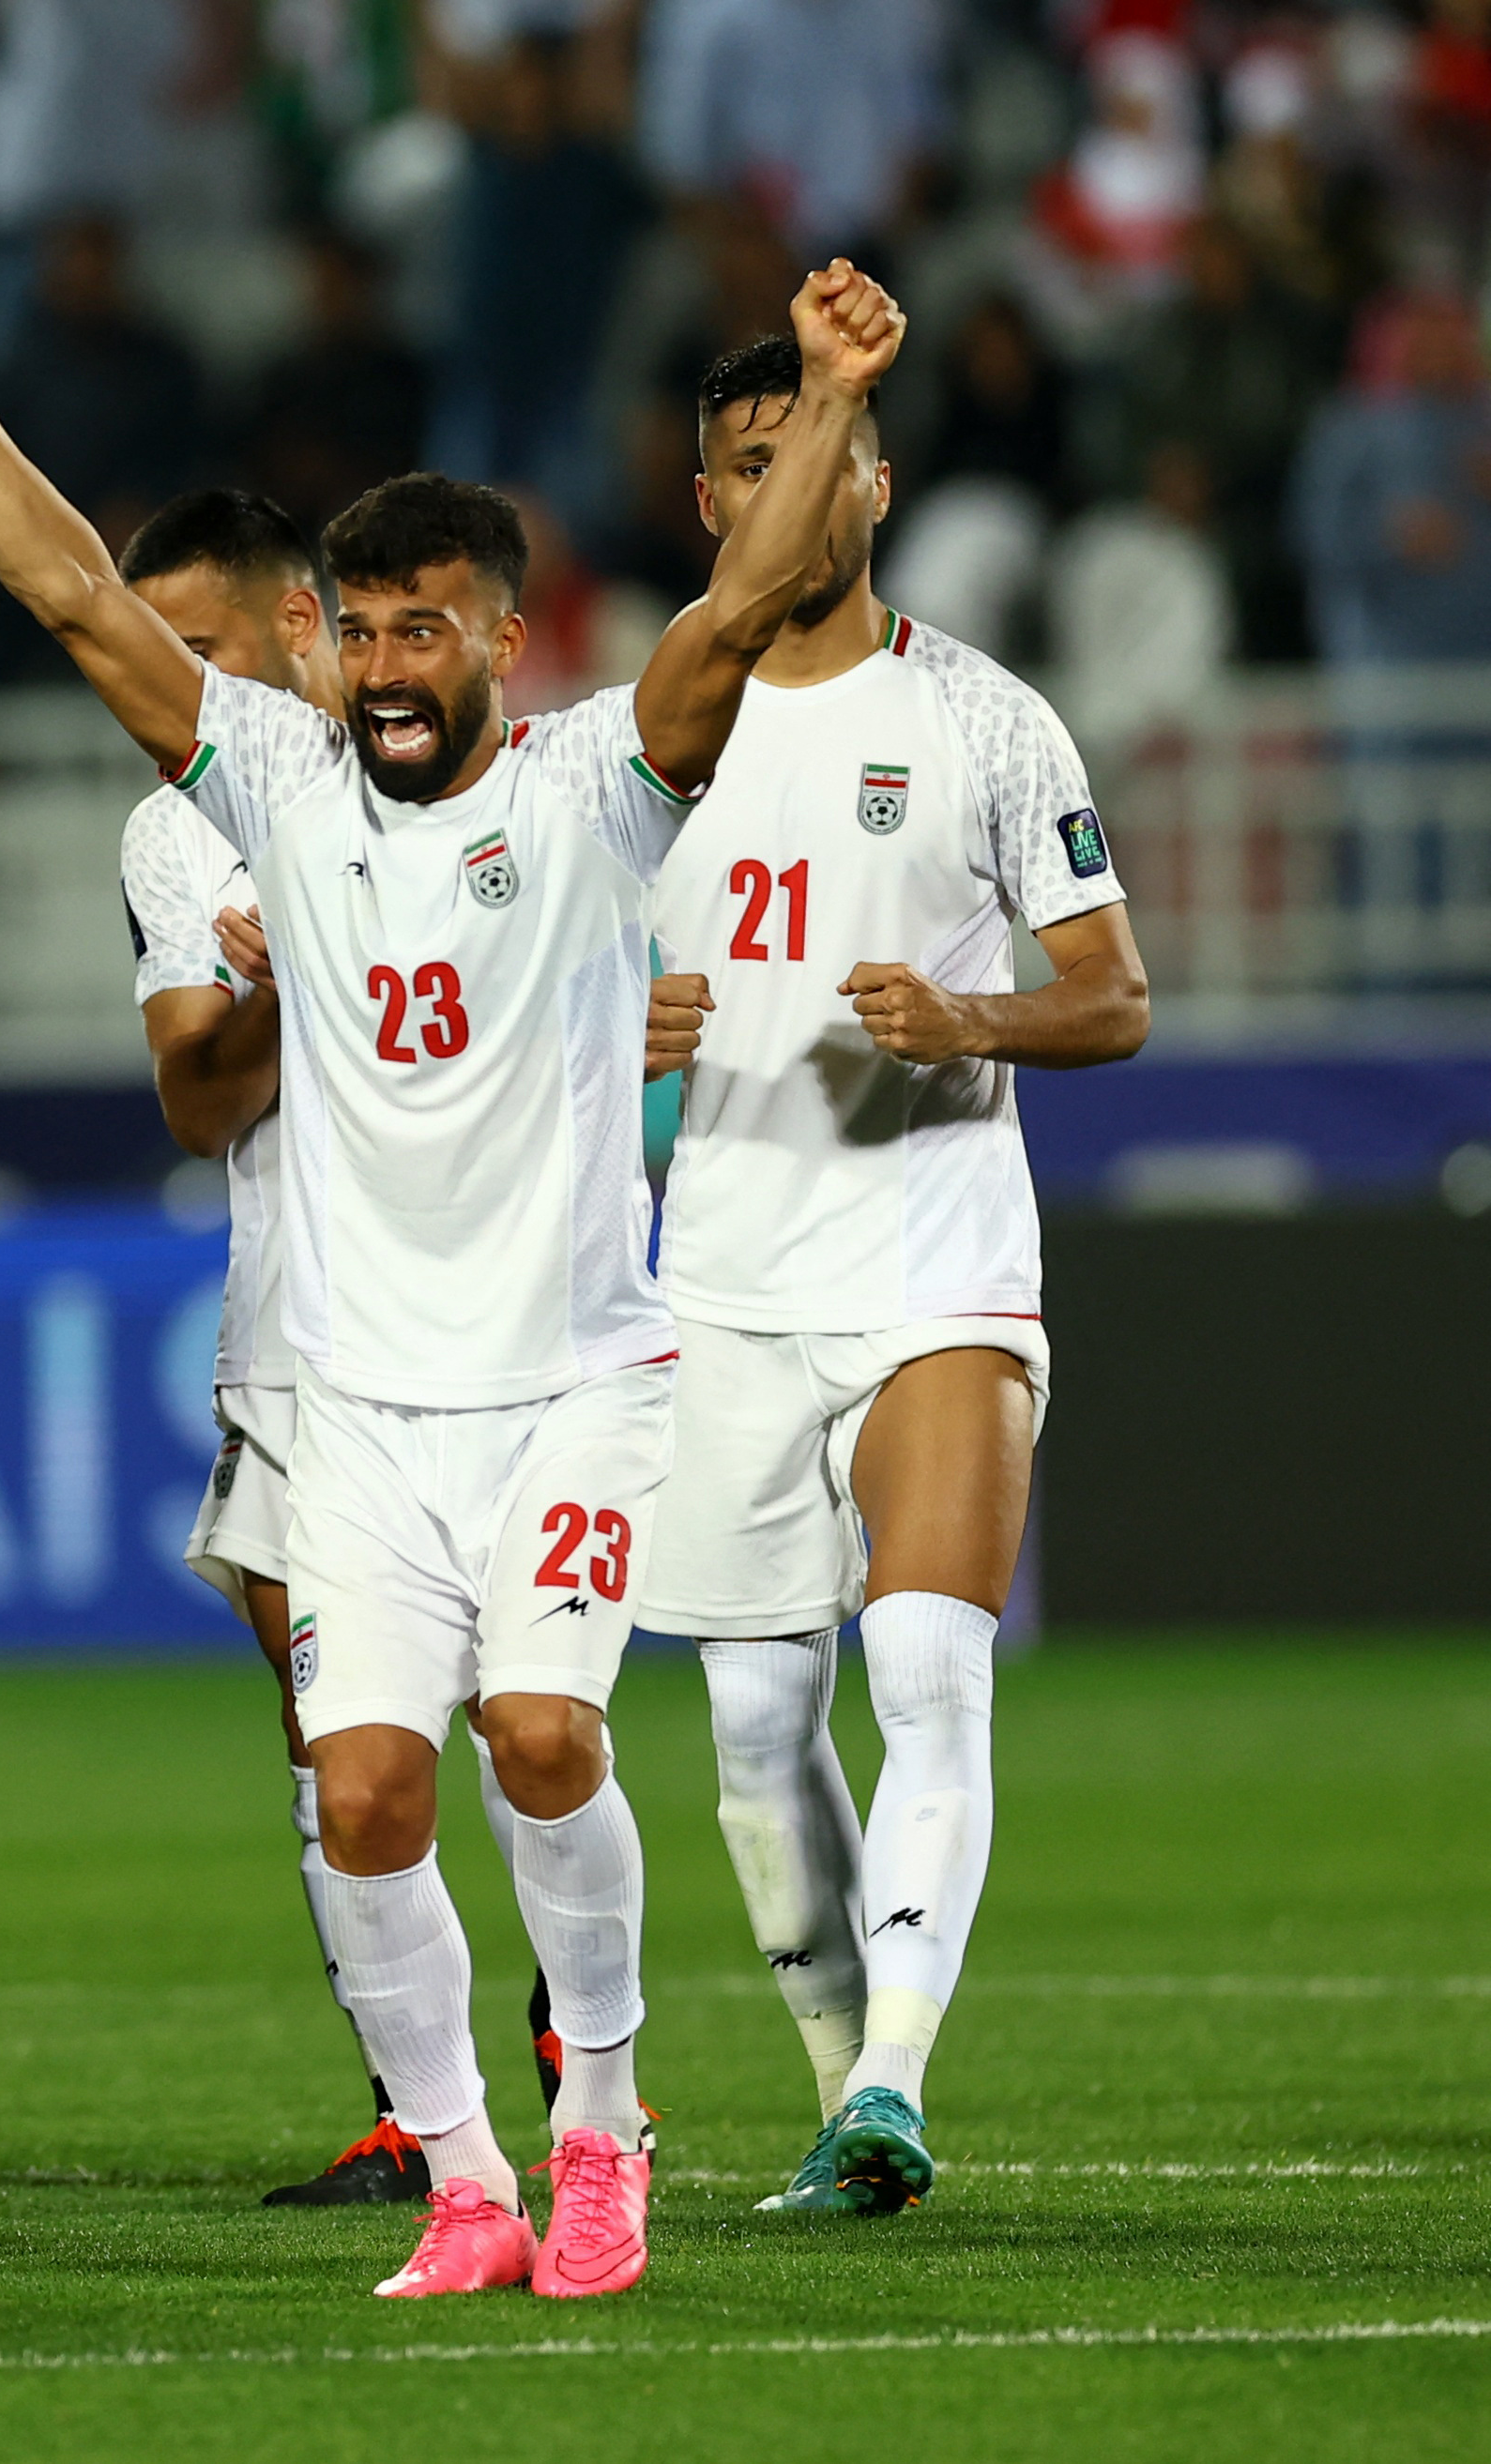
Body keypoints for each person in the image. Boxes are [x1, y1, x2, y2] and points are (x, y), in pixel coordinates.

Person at [0, 236, 902, 2299]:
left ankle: (596, 2128)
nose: (390, 660)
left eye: (429, 625)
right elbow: (67, 588)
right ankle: (461, 2176)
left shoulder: (599, 790)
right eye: (359, 629)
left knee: (535, 1737)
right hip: (351, 1403)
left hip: (572, 1383)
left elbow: (747, 599)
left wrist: (834, 402)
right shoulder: (260, 779)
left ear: (504, 641)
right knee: (357, 1785)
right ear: (318, 650)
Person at [635, 333, 1149, 2214]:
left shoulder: (988, 721)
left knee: (927, 1665)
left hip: (933, 1254)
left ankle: (895, 2083)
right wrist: (613, 1025)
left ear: (876, 481)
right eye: (756, 455)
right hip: (720, 1278)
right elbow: (532, 1003)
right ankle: (836, 2100)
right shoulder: (657, 734)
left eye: (829, 444)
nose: (797, 481)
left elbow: (1109, 994)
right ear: (712, 503)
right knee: (757, 1733)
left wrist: (967, 1013)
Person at [109, 485, 427, 2208]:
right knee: (333, 1752)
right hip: (296, 1333)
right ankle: (411, 2108)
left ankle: (582, 2063)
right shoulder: (180, 835)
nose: (176, 695)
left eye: (204, 653)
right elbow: (196, 1100)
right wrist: (304, 974)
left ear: (305, 625)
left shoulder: (467, 770)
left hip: (500, 1322)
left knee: (528, 1728)